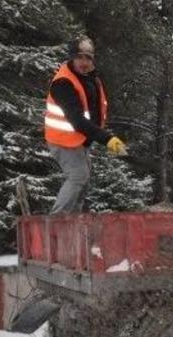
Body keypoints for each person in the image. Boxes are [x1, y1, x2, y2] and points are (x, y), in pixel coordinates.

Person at [44, 35, 127, 214]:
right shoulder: (63, 83)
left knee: (84, 182)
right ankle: (55, 223)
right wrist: (107, 139)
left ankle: (73, 223)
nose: (84, 62)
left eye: (88, 58)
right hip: (63, 140)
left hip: (79, 140)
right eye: (80, 57)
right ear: (72, 57)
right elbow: (77, 120)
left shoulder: (89, 78)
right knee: (78, 176)